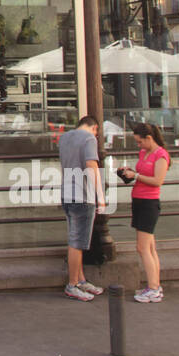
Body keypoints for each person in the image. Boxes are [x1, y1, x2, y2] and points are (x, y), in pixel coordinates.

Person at [119, 121, 171, 303]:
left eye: (140, 142)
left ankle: (154, 288)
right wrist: (129, 173)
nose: (139, 146)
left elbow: (157, 180)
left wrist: (136, 176)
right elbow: (142, 173)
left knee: (142, 247)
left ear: (149, 138)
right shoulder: (145, 153)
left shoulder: (161, 155)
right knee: (149, 247)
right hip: (139, 200)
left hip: (149, 202)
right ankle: (154, 284)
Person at [58, 115, 105, 301]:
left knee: (74, 237)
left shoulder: (65, 137)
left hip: (67, 193)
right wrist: (100, 197)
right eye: (97, 132)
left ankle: (81, 279)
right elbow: (91, 165)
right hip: (83, 195)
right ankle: (72, 284)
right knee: (77, 242)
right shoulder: (88, 139)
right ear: (94, 128)